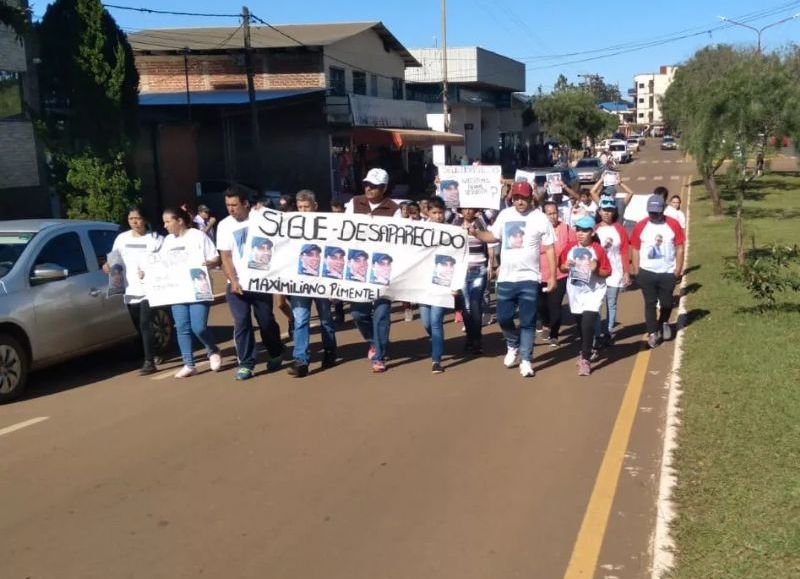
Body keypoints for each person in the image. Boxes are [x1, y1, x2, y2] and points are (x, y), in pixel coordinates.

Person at [472, 181, 556, 378]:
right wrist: (476, 233)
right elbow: (493, 236)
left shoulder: (540, 218)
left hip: (529, 278)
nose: (520, 201)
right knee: (504, 317)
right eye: (516, 198)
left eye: (523, 198)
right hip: (506, 278)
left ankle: (526, 360)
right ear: (512, 198)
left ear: (530, 198)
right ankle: (512, 344)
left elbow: (550, 248)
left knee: (527, 322)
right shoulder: (505, 215)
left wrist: (551, 276)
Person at [216, 185, 284, 381]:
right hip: (237, 284)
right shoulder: (224, 226)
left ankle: (275, 351)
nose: (231, 209)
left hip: (261, 282)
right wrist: (233, 280)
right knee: (242, 322)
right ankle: (246, 363)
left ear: (246, 203)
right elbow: (226, 257)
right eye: (228, 205)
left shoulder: (260, 218)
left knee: (266, 321)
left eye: (235, 205)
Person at [346, 168, 400, 372]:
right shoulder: (354, 203)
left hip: (383, 267)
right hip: (358, 267)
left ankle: (380, 355)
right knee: (358, 313)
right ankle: (374, 341)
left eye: (375, 186)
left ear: (384, 188)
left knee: (381, 313)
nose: (369, 188)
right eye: (367, 184)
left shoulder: (393, 209)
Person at [158, 206, 222, 378]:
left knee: (198, 327)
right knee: (182, 327)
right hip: (177, 291)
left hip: (197, 288)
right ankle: (189, 364)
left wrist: (211, 263)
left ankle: (212, 349)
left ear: (179, 221)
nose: (165, 226)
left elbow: (215, 257)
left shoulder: (198, 236)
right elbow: (161, 264)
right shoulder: (168, 242)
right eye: (164, 222)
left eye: (168, 221)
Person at [104, 205, 164, 375]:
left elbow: (162, 262)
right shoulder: (122, 239)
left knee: (145, 323)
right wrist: (108, 267)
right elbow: (114, 259)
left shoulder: (154, 239)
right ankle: (153, 351)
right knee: (138, 324)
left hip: (149, 288)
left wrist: (150, 271)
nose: (134, 222)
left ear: (144, 219)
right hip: (130, 288)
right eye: (131, 219)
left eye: (137, 218)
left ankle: (149, 362)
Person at [287, 189, 337, 377]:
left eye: (306, 207)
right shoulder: (291, 227)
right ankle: (301, 360)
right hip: (300, 281)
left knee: (325, 318)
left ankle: (330, 351)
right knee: (300, 319)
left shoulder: (328, 225)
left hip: (322, 280)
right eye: (300, 207)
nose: (303, 211)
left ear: (315, 206)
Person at [630, 194, 685, 349]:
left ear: (663, 210)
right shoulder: (641, 225)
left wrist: (678, 269)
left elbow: (680, 247)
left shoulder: (672, 224)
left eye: (657, 212)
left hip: (667, 272)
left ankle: (663, 322)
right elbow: (635, 248)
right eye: (651, 212)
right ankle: (653, 333)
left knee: (667, 303)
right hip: (647, 272)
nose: (654, 215)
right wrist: (636, 269)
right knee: (650, 303)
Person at [559, 215, 612, 376]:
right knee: (581, 326)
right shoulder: (570, 248)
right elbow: (561, 267)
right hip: (576, 292)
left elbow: (607, 272)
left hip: (593, 292)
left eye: (585, 230)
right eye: (578, 230)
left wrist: (596, 268)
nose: (580, 233)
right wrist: (565, 267)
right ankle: (586, 348)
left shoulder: (598, 249)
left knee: (588, 323)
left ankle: (585, 359)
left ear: (593, 232)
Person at [451, 205, 495, 354]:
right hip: (461, 271)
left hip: (479, 270)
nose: (468, 211)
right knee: (466, 307)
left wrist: (491, 265)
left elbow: (490, 241)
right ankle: (470, 338)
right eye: (465, 209)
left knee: (476, 305)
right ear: (460, 210)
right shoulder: (455, 223)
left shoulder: (481, 222)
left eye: (471, 209)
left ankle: (477, 339)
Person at [418, 196, 452, 373]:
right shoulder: (421, 230)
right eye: (434, 212)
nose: (438, 216)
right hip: (423, 283)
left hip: (442, 281)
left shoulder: (452, 232)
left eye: (441, 212)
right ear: (428, 213)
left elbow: (458, 258)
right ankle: (437, 340)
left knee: (436, 320)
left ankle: (436, 359)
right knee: (426, 322)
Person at [538, 200, 577, 347]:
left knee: (555, 305)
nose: (553, 216)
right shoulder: (538, 230)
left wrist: (571, 262)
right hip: (540, 275)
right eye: (549, 214)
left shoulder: (566, 229)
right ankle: (546, 323)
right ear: (544, 215)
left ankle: (554, 333)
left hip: (560, 274)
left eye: (555, 213)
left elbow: (574, 248)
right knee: (541, 305)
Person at [595, 197, 631, 344]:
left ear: (614, 211)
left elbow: (624, 251)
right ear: (599, 211)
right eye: (604, 210)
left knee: (612, 303)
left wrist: (626, 272)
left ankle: (608, 331)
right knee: (596, 305)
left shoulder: (620, 229)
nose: (607, 213)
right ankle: (597, 334)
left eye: (610, 210)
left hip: (615, 273)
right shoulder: (594, 229)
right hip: (598, 274)